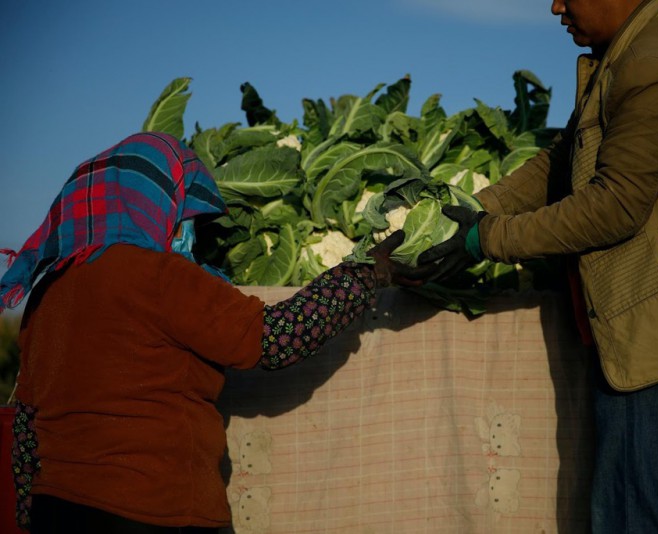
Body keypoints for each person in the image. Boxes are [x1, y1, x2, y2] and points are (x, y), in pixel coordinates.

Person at [418, 0, 658, 532]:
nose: (556, 6)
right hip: (646, 332)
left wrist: (487, 240)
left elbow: (615, 206)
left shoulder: (654, 63)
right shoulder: (621, 57)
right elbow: (561, 163)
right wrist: (479, 210)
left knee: (645, 519)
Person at [0, 131, 432, 533]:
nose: (190, 233)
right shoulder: (159, 275)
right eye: (186, 213)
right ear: (154, 202)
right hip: (154, 509)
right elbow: (275, 338)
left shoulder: (47, 294)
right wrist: (363, 276)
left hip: (54, 509)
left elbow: (25, 421)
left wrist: (27, 512)